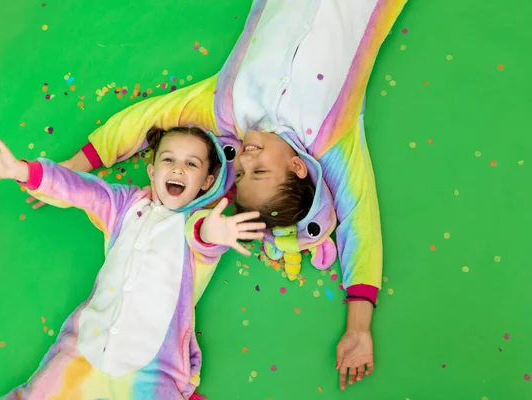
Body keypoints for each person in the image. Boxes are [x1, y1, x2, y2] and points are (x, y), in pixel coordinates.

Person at [28, 0, 407, 390]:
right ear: (296, 167)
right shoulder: (333, 138)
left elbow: (149, 118)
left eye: (241, 172)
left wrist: (77, 165)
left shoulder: (226, 107)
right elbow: (361, 221)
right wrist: (359, 327)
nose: (245, 156)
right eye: (258, 170)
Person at [0, 128, 265, 399]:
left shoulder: (195, 222)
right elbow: (81, 190)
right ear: (151, 171)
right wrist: (22, 170)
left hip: (152, 366)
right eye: (168, 160)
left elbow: (203, 237)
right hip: (85, 349)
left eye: (191, 164)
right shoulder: (124, 204)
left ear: (206, 182)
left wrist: (218, 232)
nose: (177, 169)